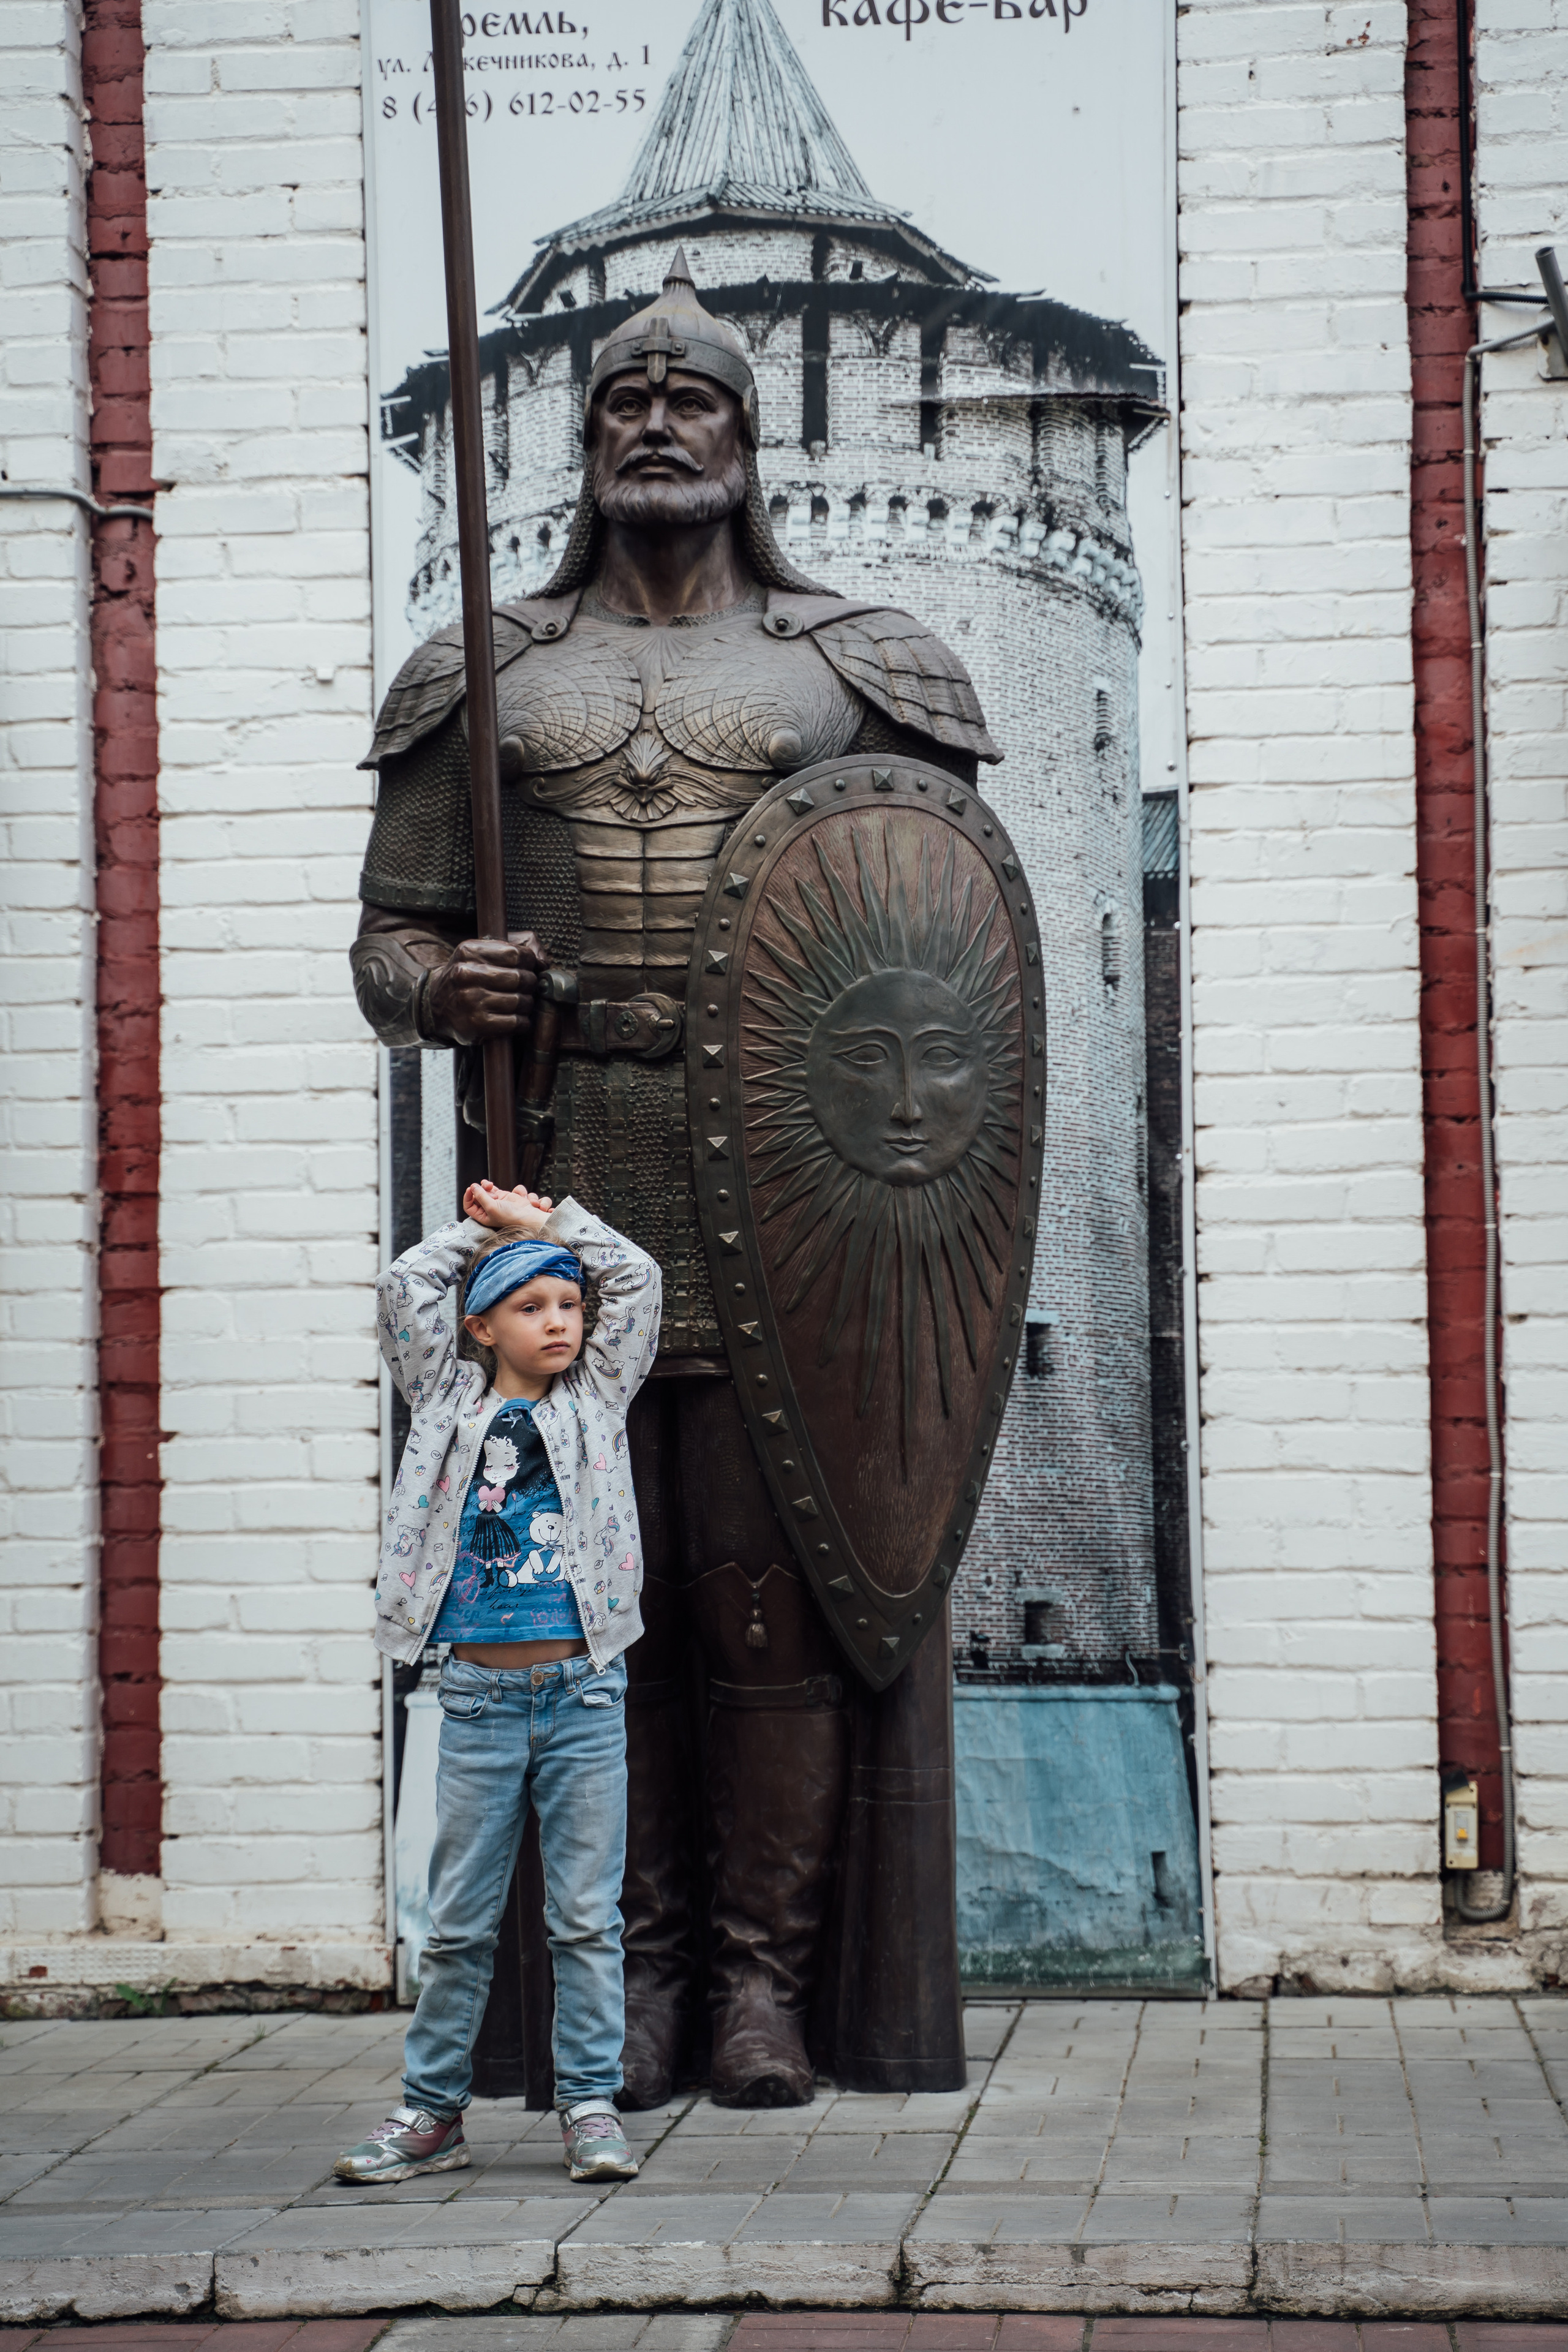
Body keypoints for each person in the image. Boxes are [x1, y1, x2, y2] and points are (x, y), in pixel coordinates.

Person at [350, 251, 993, 2108]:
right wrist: (441, 979)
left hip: (797, 1191)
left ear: (745, 433)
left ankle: (764, 1990)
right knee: (580, 1596)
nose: (654, 423)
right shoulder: (488, 668)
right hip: (566, 1179)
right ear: (583, 436)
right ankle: (623, 1992)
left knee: (762, 1599)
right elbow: (390, 939)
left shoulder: (853, 667)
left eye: (690, 398)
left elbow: (941, 935)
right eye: (623, 399)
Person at [334, 1177, 660, 2185]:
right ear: (480, 1329)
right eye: (532, 1307)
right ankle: (432, 2114)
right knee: (461, 1921)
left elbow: (636, 1279)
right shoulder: (444, 1398)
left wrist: (548, 1225)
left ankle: (592, 2108)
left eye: (567, 1305)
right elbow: (404, 1283)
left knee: (585, 1920)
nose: (559, 1322)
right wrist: (485, 1228)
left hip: (583, 1694)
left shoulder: (597, 1397)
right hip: (476, 1697)